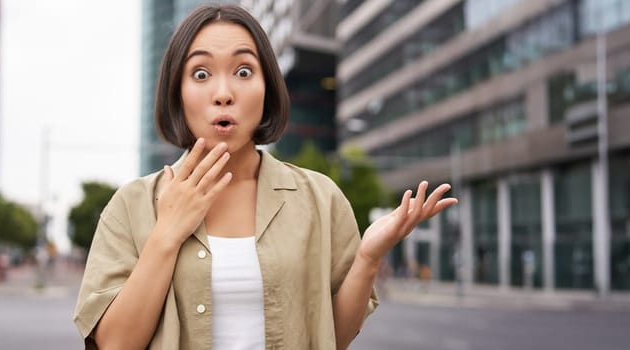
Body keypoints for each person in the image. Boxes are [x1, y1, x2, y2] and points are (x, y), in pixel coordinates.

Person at [73, 4, 457, 349]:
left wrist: (368, 258)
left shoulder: (320, 199)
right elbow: (115, 345)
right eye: (201, 73)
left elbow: (331, 338)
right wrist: (167, 232)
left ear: (267, 89)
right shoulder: (131, 206)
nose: (223, 93)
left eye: (243, 71)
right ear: (177, 93)